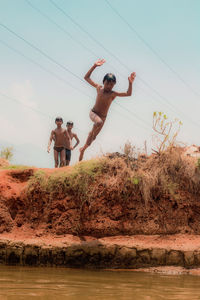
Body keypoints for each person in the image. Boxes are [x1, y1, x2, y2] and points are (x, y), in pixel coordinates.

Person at [79, 59, 136, 161]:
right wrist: (94, 66)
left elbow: (128, 94)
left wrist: (130, 83)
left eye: (111, 85)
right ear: (103, 82)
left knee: (93, 138)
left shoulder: (112, 94)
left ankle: (83, 149)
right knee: (98, 123)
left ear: (114, 85)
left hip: (102, 118)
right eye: (107, 83)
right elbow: (86, 77)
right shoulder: (98, 88)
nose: (109, 86)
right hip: (93, 113)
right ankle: (91, 132)